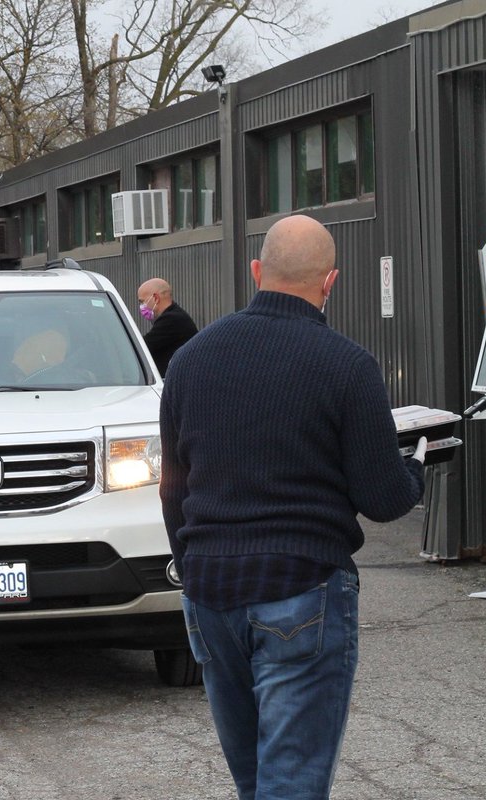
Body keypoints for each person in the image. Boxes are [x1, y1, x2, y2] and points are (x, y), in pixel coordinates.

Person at [158, 214, 427, 800]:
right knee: (292, 782)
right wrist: (416, 468)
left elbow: (174, 489)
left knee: (256, 780)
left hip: (209, 591)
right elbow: (383, 500)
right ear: (330, 282)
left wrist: (194, 564)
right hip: (300, 588)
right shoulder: (347, 366)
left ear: (258, 271)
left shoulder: (190, 359)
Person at [136, 278, 198, 377]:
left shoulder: (172, 319)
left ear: (156, 298)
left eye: (142, 302)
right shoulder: (174, 316)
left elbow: (141, 347)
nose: (141, 306)